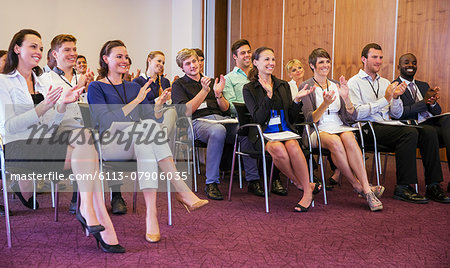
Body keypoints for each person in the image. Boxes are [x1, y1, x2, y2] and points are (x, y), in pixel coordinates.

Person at [0, 29, 124, 253]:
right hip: (18, 148)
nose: (38, 51)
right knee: (90, 157)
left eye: (40, 47)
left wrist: (61, 105)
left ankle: (87, 208)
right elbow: (8, 127)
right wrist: (45, 106)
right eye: (32, 46)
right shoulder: (4, 82)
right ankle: (96, 218)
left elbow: (51, 124)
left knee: (86, 138)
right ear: (17, 49)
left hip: (45, 142)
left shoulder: (40, 82)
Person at [88, 40, 208, 243]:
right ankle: (181, 189)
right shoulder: (96, 86)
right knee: (146, 132)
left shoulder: (134, 87)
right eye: (119, 56)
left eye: (126, 56)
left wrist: (158, 106)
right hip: (111, 145)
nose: (124, 60)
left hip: (139, 141)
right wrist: (137, 102)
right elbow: (105, 121)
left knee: (147, 137)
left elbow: (153, 120)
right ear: (105, 59)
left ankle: (151, 214)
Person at [348, 43, 450, 204]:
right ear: (363, 59)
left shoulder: (386, 82)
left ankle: (433, 185)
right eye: (374, 57)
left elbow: (395, 114)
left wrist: (395, 98)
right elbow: (356, 113)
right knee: (410, 132)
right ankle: (403, 187)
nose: (379, 61)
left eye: (381, 57)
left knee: (428, 131)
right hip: (367, 128)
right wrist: (386, 99)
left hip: (387, 125)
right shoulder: (354, 82)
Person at [300, 48, 384, 211]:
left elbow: (350, 117)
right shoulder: (306, 86)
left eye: (327, 61)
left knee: (350, 139)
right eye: (321, 62)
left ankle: (365, 188)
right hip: (316, 130)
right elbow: (310, 119)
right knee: (336, 141)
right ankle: (357, 186)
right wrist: (324, 104)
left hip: (339, 125)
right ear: (312, 65)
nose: (325, 65)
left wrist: (346, 98)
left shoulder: (336, 85)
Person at [243, 46, 321, 212]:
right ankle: (303, 184)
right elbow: (257, 118)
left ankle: (306, 191)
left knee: (293, 145)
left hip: (284, 130)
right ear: (255, 63)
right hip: (263, 134)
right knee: (278, 148)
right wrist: (268, 96)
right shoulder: (249, 88)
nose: (271, 63)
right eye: (266, 59)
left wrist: (297, 101)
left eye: (273, 59)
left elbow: (291, 117)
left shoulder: (283, 85)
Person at [172, 48, 239, 200]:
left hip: (220, 118)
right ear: (182, 68)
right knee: (218, 130)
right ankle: (211, 183)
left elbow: (225, 109)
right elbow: (186, 112)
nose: (193, 65)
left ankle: (253, 178)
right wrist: (203, 91)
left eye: (194, 61)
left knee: (244, 129)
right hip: (196, 123)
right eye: (187, 63)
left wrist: (218, 94)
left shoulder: (211, 80)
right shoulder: (179, 85)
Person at [222, 39, 286, 196]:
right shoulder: (229, 79)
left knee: (276, 131)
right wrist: (250, 106)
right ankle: (253, 179)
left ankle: (275, 177)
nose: (247, 55)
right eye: (242, 53)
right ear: (234, 57)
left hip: (264, 116)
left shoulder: (262, 73)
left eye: (249, 52)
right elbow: (230, 106)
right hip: (242, 119)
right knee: (247, 132)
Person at [41, 34, 94, 213]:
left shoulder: (80, 78)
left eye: (74, 49)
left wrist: (86, 88)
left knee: (95, 136)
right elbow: (48, 116)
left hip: (81, 127)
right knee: (86, 139)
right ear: (54, 54)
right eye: (67, 50)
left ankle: (84, 200)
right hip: (58, 129)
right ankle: (84, 203)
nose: (72, 54)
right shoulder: (46, 79)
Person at [394, 53, 450, 201]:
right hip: (412, 127)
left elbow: (437, 111)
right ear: (398, 66)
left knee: (448, 119)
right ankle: (433, 185)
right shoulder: (394, 86)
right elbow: (400, 113)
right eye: (406, 63)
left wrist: (432, 103)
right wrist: (423, 103)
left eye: (414, 63)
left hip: (429, 125)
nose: (410, 65)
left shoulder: (423, 85)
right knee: (430, 131)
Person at [133, 51, 177, 150]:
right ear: (149, 60)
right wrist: (159, 100)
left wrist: (168, 99)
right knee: (172, 125)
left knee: (171, 112)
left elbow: (169, 104)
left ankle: (158, 146)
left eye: (163, 63)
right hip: (146, 116)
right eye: (159, 61)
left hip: (163, 115)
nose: (161, 64)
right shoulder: (138, 81)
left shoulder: (165, 82)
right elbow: (141, 106)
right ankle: (162, 152)